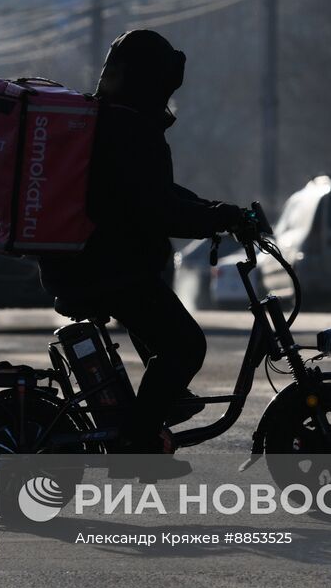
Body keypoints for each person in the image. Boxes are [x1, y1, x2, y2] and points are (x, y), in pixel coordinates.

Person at [39, 29, 243, 454]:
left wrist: (220, 210)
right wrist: (216, 219)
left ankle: (147, 417)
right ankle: (136, 440)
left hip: (94, 265)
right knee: (185, 346)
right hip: (108, 270)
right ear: (149, 81)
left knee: (163, 342)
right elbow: (157, 207)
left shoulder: (110, 121)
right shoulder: (128, 129)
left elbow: (159, 193)